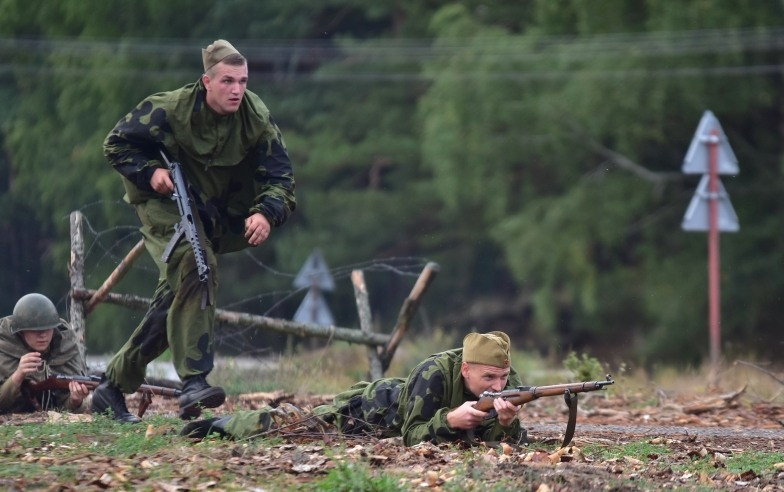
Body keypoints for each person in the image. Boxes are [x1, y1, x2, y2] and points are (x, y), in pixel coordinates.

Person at [93, 39, 296, 424]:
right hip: (162, 202)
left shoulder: (255, 117)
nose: (237, 90)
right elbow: (116, 144)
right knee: (196, 263)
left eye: (243, 81)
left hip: (212, 211)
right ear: (206, 81)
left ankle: (111, 388)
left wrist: (267, 214)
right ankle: (194, 382)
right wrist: (150, 173)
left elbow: (281, 178)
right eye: (227, 81)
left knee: (176, 297)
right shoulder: (169, 109)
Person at [182, 331, 527, 445]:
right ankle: (219, 425)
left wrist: (508, 423)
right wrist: (450, 421)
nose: (499, 386)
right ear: (466, 369)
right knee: (292, 425)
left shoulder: (506, 379)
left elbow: (503, 441)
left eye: (503, 377)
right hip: (367, 412)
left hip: (387, 419)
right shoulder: (433, 373)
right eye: (489, 379)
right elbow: (411, 435)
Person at [0, 294, 91, 414]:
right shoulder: (4, 347)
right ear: (21, 331)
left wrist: (75, 401)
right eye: (35, 330)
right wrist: (18, 376)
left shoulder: (65, 347)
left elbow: (62, 409)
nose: (42, 335)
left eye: (48, 329)